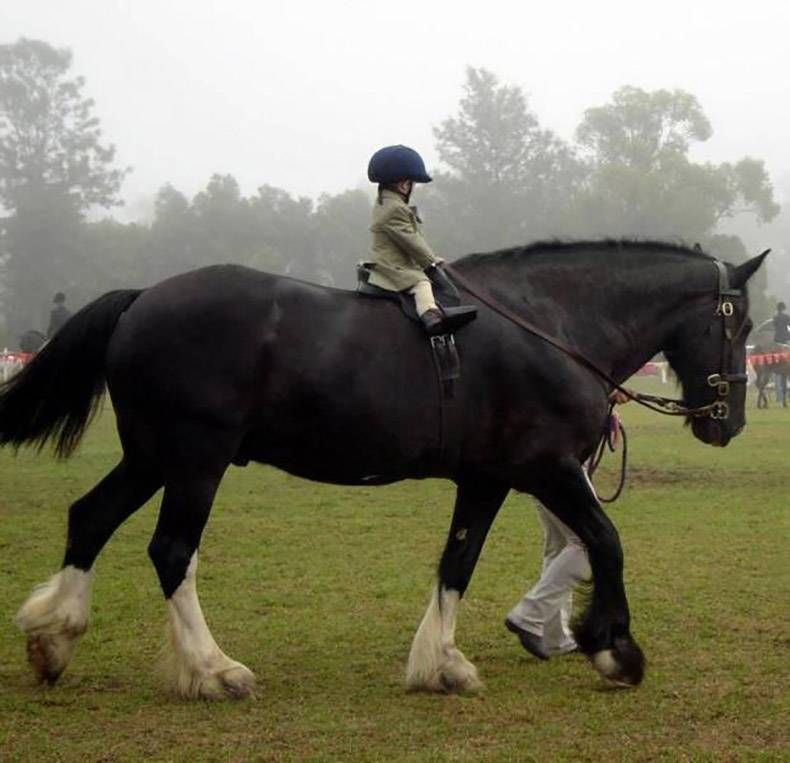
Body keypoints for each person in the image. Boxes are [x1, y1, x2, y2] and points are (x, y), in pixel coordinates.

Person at [505, 390, 631, 660]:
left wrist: (603, 407)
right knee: (591, 545)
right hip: (559, 463)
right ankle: (529, 615)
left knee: (559, 546)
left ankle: (555, 637)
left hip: (541, 461)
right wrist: (604, 393)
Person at [366, 145, 476, 335]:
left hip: (391, 260)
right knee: (421, 284)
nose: (412, 188)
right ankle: (431, 317)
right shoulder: (395, 210)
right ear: (403, 185)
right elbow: (413, 242)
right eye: (412, 184)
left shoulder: (385, 202)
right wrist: (431, 262)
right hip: (394, 266)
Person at [772, 302, 790, 405]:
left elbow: (775, 327)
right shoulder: (787, 317)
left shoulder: (775, 318)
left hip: (777, 341)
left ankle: (779, 396)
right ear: (784, 308)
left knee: (776, 372)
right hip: (786, 340)